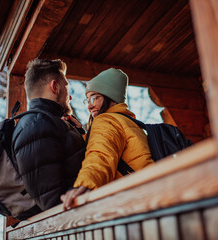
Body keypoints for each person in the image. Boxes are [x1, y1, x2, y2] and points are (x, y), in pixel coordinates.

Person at [61, 68, 154, 210]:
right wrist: (80, 131)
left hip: (134, 203)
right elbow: (103, 144)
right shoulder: (126, 121)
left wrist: (85, 185)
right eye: (88, 100)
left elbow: (101, 154)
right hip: (149, 195)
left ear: (110, 97)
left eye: (95, 97)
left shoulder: (106, 120)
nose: (90, 105)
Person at [12, 59, 86, 218]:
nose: (70, 96)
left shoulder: (46, 123)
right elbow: (53, 202)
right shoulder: (37, 125)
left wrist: (78, 131)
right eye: (66, 86)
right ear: (55, 87)